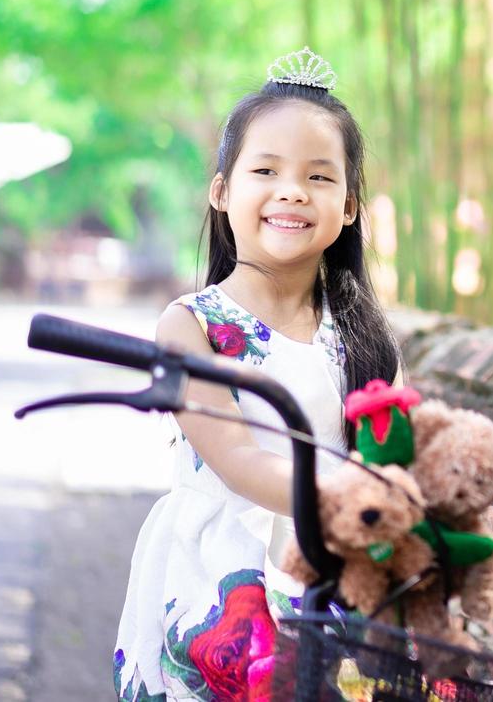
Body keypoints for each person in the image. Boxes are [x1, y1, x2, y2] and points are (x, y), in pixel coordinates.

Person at [112, 48, 400, 701]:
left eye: (320, 178)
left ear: (350, 206)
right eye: (265, 170)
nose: (293, 190)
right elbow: (238, 457)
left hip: (329, 571)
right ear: (222, 190)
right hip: (219, 576)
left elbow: (390, 447)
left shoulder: (363, 337)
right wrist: (356, 498)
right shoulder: (192, 326)